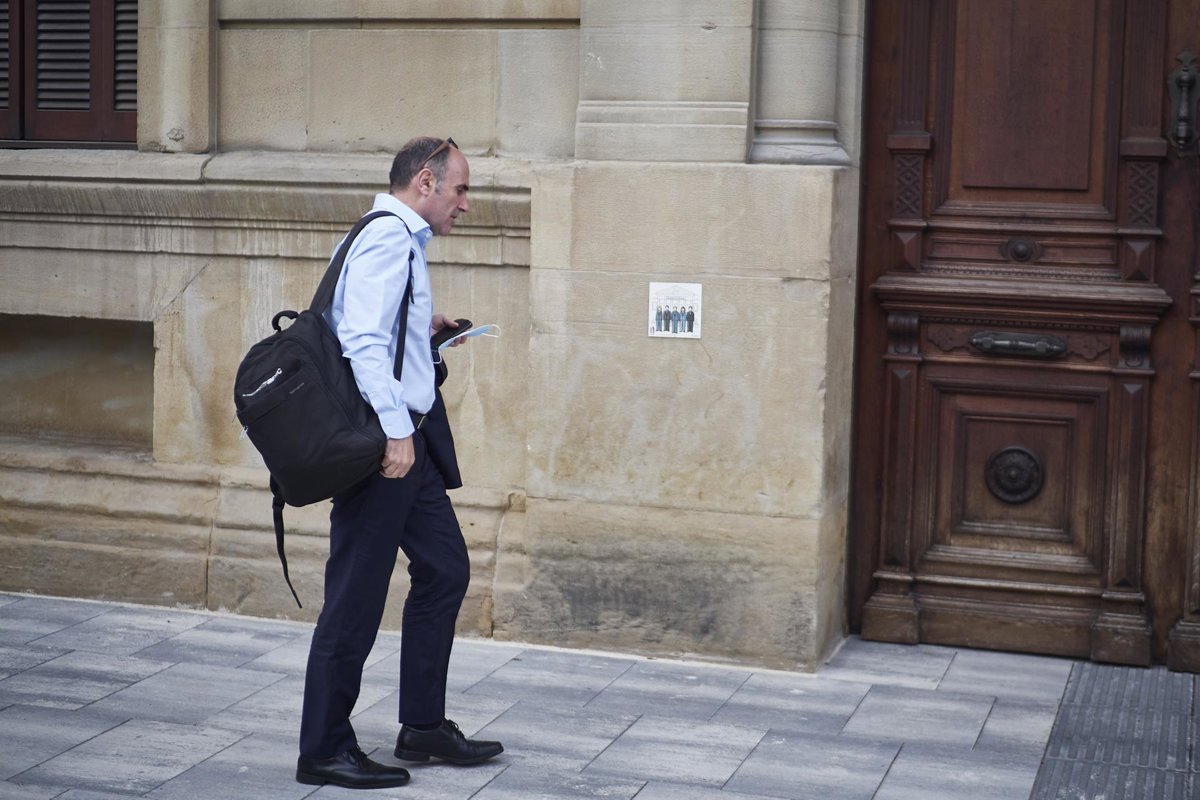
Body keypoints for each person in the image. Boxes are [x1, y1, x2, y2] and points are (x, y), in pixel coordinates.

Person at [295, 136, 503, 791]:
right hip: (385, 449)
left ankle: (422, 726)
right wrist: (394, 433)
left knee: (445, 569)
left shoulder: (397, 239)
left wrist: (424, 333)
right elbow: (359, 340)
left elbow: (376, 331)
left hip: (407, 442)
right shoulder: (388, 238)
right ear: (425, 182)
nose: (465, 203)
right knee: (355, 598)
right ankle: (324, 747)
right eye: (460, 189)